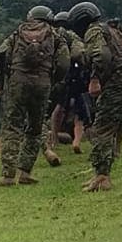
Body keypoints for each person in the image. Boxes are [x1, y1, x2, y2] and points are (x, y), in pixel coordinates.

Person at [0, 6, 71, 186]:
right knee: (35, 128)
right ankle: (25, 172)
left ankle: (7, 175)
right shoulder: (55, 36)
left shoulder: (17, 33)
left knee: (12, 127)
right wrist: (54, 78)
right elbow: (65, 62)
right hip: (42, 83)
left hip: (18, 82)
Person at [69, 2, 122, 192]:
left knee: (101, 128)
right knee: (113, 126)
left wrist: (94, 78)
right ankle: (101, 171)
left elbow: (100, 54)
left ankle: (102, 176)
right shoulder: (115, 30)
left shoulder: (94, 31)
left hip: (117, 82)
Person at [49, 10, 88, 155]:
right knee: (80, 112)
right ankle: (76, 141)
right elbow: (79, 54)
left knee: (58, 108)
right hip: (75, 75)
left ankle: (54, 139)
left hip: (58, 77)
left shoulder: (51, 35)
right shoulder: (73, 37)